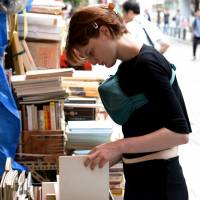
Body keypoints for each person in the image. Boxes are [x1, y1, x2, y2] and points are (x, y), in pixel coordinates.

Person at [66, 3, 192, 200]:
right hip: (142, 183)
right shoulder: (128, 66)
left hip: (161, 187)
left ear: (105, 32)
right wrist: (111, 152)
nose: (93, 60)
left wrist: (119, 146)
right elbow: (145, 127)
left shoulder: (148, 63)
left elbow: (180, 133)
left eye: (91, 52)